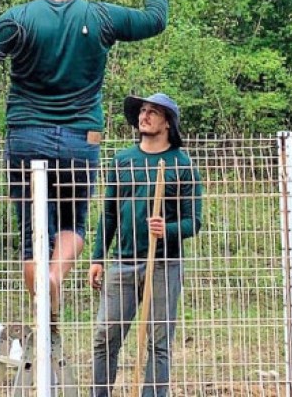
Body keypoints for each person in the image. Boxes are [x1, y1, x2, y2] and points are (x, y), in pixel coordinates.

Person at [0, 0, 170, 328]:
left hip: (27, 137)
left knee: (32, 233)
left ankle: (43, 302)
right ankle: (55, 275)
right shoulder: (100, 16)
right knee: (74, 224)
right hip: (80, 140)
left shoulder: (18, 19)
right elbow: (155, 19)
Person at [89, 93, 203, 397]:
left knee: (158, 342)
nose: (145, 116)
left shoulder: (182, 164)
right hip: (122, 262)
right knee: (104, 337)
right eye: (142, 111)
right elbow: (109, 212)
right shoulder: (123, 161)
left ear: (167, 122)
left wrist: (166, 229)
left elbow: (195, 221)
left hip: (165, 264)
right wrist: (98, 256)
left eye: (153, 112)